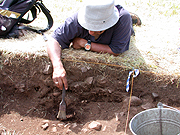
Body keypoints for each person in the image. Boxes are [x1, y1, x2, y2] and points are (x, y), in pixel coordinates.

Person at [46, 0, 141, 90]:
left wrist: (84, 44)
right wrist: (57, 66)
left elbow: (115, 50)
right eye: (88, 26)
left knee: (127, 24)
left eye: (96, 28)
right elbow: (53, 40)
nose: (90, 32)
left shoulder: (122, 19)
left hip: (123, 22)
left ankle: (132, 21)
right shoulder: (76, 20)